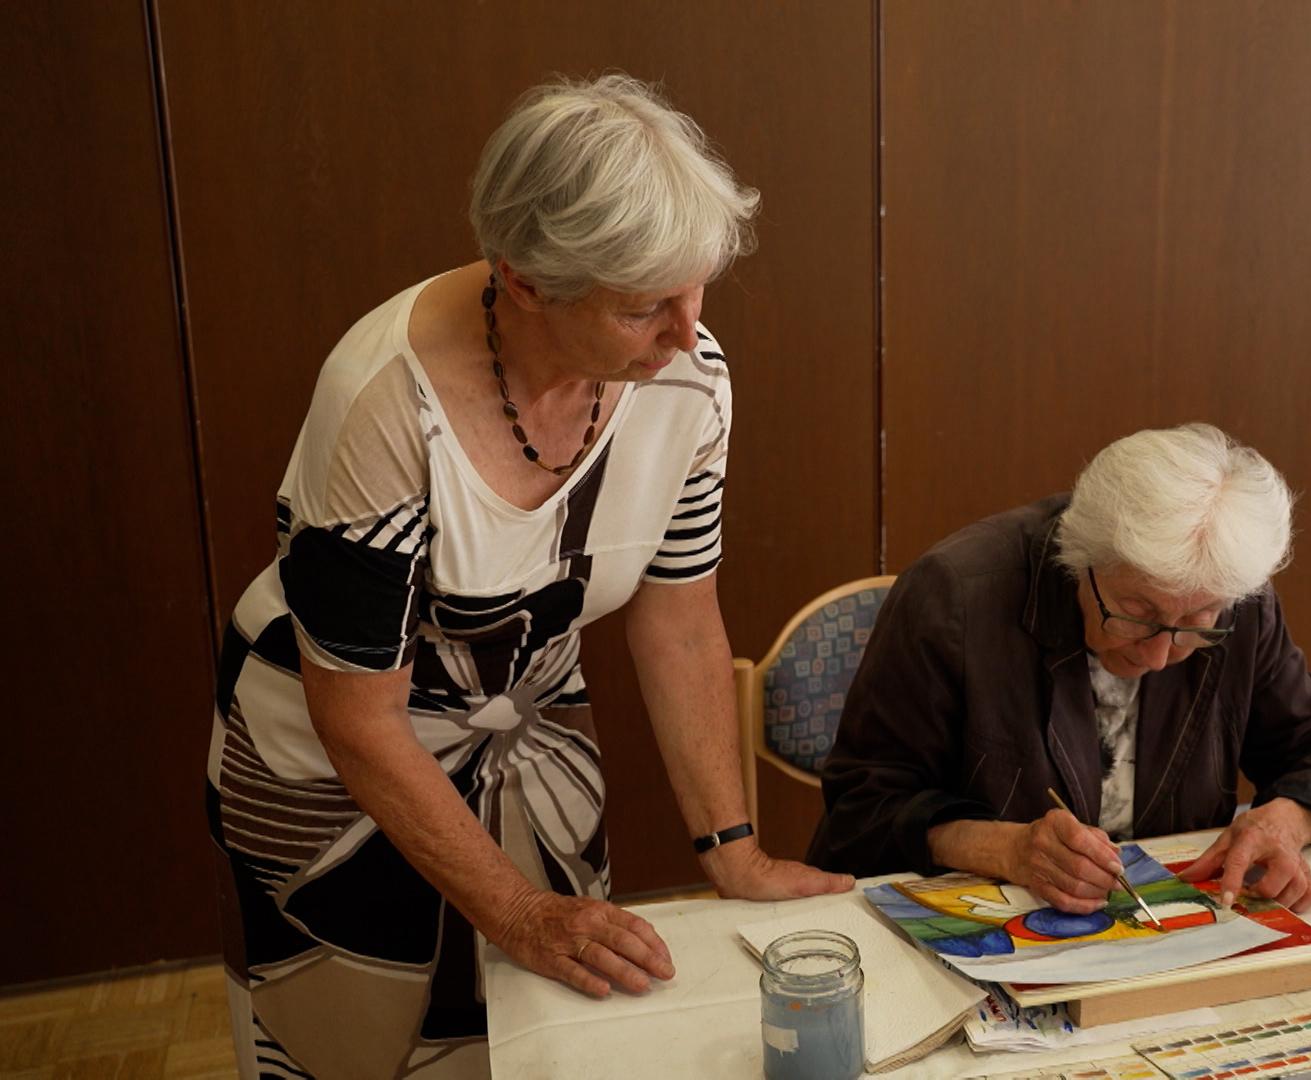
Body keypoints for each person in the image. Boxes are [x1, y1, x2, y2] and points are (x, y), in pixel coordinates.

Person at [205, 74, 850, 1078]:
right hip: (332, 761)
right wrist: (519, 911)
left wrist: (733, 850)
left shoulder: (686, 375)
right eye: (644, 308)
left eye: (697, 289)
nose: (690, 333)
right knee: (363, 1044)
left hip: (528, 735)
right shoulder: (383, 404)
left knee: (550, 1041)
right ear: (524, 281)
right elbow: (359, 719)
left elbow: (679, 620)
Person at [810, 423, 1311, 915]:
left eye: (1195, 623)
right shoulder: (956, 596)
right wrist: (1005, 848)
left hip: (1163, 937)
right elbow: (863, 809)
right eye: (1136, 614)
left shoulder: (1234, 598)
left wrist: (1282, 822)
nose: (1157, 657)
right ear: (1081, 558)